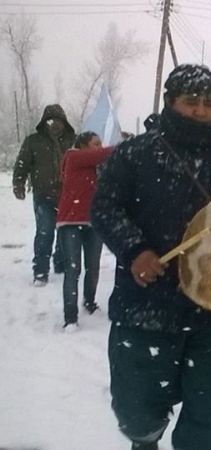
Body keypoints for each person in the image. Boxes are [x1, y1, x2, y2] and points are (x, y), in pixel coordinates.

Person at [90, 64, 211, 450]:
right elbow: (105, 207)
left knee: (210, 424)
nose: (200, 110)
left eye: (208, 103)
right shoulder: (135, 153)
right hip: (147, 307)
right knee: (137, 414)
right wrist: (135, 251)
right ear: (170, 102)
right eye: (190, 101)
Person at [13, 104, 75, 286]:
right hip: (43, 195)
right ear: (44, 121)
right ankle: (40, 271)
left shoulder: (72, 140)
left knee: (64, 232)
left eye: (58, 120)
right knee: (45, 232)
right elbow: (22, 164)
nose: (55, 124)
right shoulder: (33, 141)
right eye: (51, 120)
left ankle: (61, 263)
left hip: (67, 195)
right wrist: (19, 183)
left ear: (64, 122)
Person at [56, 131, 112, 330]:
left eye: (100, 143)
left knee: (93, 266)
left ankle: (90, 302)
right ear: (83, 145)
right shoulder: (74, 156)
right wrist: (122, 146)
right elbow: (101, 155)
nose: (99, 147)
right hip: (70, 222)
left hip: (92, 223)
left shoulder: (97, 166)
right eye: (95, 143)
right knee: (73, 270)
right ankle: (70, 317)